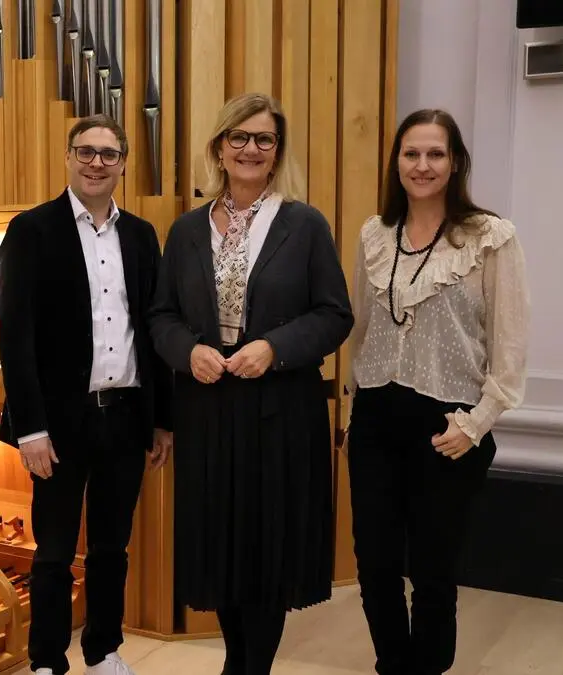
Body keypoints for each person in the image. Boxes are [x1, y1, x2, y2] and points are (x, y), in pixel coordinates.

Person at [148, 93, 353, 675]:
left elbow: (334, 315)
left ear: (277, 152)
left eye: (264, 139)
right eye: (238, 137)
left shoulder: (304, 225)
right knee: (222, 547)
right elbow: (161, 316)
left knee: (267, 551)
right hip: (207, 410)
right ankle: (236, 662)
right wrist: (188, 351)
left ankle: (249, 669)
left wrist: (274, 348)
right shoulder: (186, 230)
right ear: (219, 148)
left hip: (280, 412)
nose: (250, 149)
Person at [344, 108, 530, 675]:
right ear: (396, 162)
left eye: (435, 154)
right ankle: (392, 665)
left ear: (454, 163)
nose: (422, 165)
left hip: (448, 425)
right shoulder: (375, 234)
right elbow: (361, 329)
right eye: (411, 153)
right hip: (376, 417)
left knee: (432, 570)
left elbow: (511, 344)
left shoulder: (490, 237)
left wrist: (477, 423)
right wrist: (354, 407)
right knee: (374, 564)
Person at [0, 114, 173, 675]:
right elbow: (16, 335)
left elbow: (154, 329)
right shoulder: (32, 230)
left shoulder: (141, 235)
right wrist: (30, 428)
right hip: (58, 423)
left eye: (109, 153)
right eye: (86, 151)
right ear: (69, 157)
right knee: (52, 552)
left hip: (125, 415)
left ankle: (103, 651)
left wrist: (162, 420)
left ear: (123, 163)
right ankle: (47, 660)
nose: (97, 163)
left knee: (111, 549)